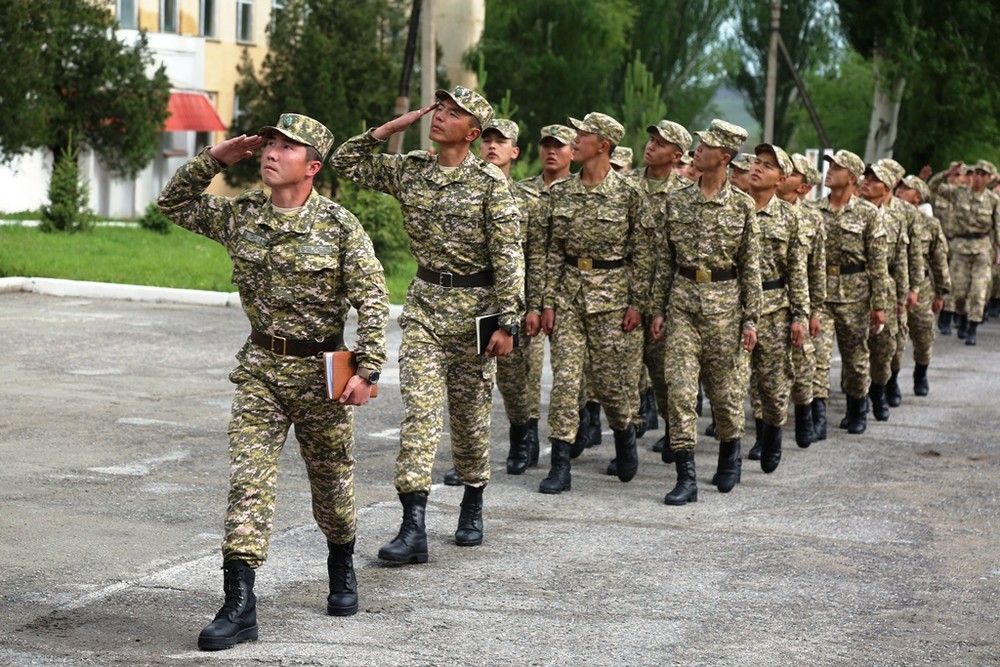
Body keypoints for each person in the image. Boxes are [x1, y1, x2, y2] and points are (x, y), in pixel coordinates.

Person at [157, 113, 390, 649]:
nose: (272, 152)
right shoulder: (243, 216)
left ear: (311, 166)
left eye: (288, 147)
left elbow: (373, 299)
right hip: (261, 368)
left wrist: (369, 367)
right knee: (249, 480)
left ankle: (341, 565)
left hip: (321, 374)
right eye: (270, 143)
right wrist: (214, 160)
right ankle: (239, 602)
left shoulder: (338, 226)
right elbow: (173, 204)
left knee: (332, 481)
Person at [330, 87, 525, 562]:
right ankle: (412, 525)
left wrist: (509, 322)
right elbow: (345, 163)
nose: (440, 117)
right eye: (439, 108)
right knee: (419, 412)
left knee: (470, 420)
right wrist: (388, 129)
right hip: (424, 307)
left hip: (477, 313)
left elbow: (508, 255)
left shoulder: (489, 183)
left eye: (454, 113)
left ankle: (473, 502)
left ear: (473, 133)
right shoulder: (412, 169)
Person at [539, 112, 655, 494]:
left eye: (583, 134)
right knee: (566, 382)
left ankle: (624, 438)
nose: (575, 138)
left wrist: (637, 303)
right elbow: (552, 252)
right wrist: (548, 301)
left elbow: (644, 254)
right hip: (570, 295)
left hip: (613, 300)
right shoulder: (561, 193)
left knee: (611, 384)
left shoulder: (629, 194)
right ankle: (560, 465)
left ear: (603, 146)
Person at [651, 119, 761, 505]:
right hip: (683, 304)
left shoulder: (743, 207)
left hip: (725, 310)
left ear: (724, 158)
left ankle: (730, 455)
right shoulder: (676, 201)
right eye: (698, 143)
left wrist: (751, 320)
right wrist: (657, 309)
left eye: (707, 146)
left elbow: (750, 268)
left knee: (725, 396)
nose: (698, 149)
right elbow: (664, 260)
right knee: (680, 391)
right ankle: (686, 476)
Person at [476, 119, 547, 475]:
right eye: (486, 139)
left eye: (500, 141)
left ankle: (523, 434)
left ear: (514, 152)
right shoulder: (465, 194)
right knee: (470, 382)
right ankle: (470, 454)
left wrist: (532, 307)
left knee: (515, 380)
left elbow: (534, 259)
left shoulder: (528, 200)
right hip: (471, 299)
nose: (491, 146)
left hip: (512, 301)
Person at [813, 149, 888, 435]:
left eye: (837, 167)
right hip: (820, 295)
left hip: (854, 296)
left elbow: (878, 264)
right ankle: (817, 417)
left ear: (852, 178)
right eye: (829, 166)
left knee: (856, 360)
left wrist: (878, 304)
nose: (829, 171)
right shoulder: (814, 210)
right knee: (818, 358)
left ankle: (857, 408)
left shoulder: (868, 214)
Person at [745, 143, 809, 473]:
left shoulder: (790, 218)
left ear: (780, 178)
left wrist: (800, 315)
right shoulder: (732, 208)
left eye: (767, 165)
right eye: (756, 161)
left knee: (771, 384)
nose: (757, 168)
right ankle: (738, 449)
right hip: (734, 306)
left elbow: (798, 270)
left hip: (774, 309)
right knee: (733, 383)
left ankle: (772, 436)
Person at [633, 119, 693, 461]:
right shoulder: (626, 186)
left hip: (667, 298)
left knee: (664, 373)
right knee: (625, 374)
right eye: (651, 138)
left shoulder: (684, 196)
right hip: (624, 291)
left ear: (677, 155)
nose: (651, 145)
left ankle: (676, 430)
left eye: (661, 142)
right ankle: (628, 441)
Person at [858, 161, 917, 421]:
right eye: (865, 177)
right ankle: (857, 400)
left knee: (884, 347)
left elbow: (902, 260)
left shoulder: (897, 218)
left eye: (874, 179)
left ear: (888, 186)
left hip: (886, 289)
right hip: (854, 288)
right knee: (856, 348)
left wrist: (904, 296)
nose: (866, 182)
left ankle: (881, 387)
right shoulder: (852, 211)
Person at [777, 153, 827, 445]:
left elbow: (816, 270)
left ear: (804, 187)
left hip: (800, 300)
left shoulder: (811, 218)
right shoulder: (755, 206)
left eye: (792, 172)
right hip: (767, 298)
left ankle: (805, 413)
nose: (784, 173)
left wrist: (815, 311)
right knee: (766, 370)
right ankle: (765, 433)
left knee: (803, 362)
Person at [928, 159, 1000, 346]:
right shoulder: (959, 193)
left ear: (988, 179)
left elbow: (998, 226)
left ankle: (972, 328)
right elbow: (933, 187)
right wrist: (947, 173)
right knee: (958, 292)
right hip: (960, 246)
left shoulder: (993, 200)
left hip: (982, 247)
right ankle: (961, 316)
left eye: (983, 175)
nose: (977, 178)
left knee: (978, 290)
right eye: (976, 173)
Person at [896, 175, 952, 395]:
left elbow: (939, 260)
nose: (899, 190)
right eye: (898, 186)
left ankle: (921, 372)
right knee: (893, 337)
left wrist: (941, 293)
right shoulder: (887, 218)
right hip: (895, 284)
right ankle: (889, 381)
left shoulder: (930, 225)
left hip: (924, 287)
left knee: (923, 334)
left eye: (906, 188)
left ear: (917, 196)